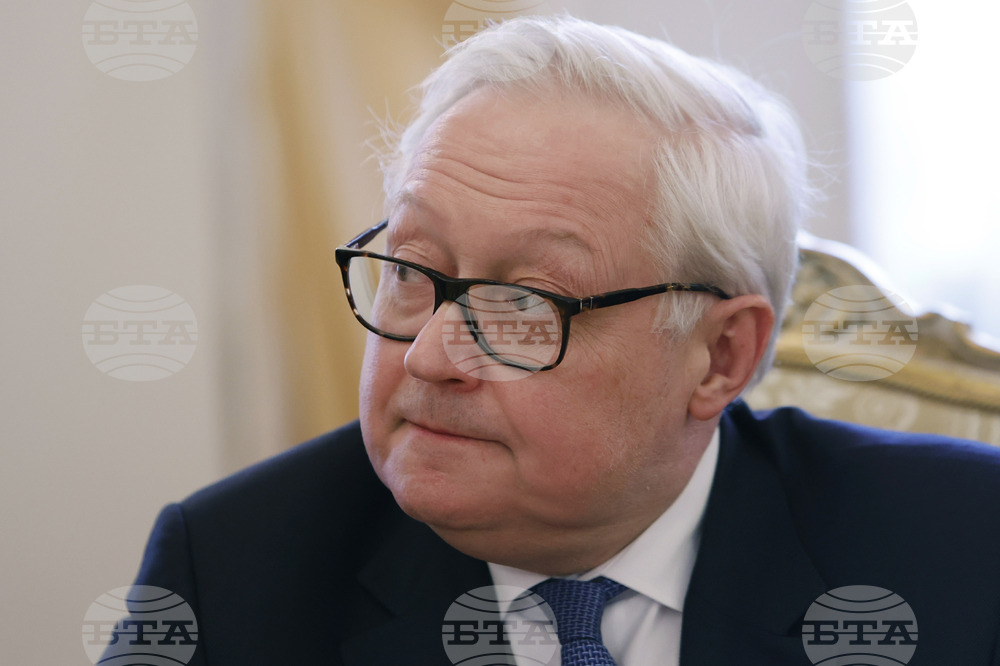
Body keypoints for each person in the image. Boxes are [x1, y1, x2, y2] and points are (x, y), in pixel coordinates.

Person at [114, 15, 1000, 666]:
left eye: (522, 305)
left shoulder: (965, 551)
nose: (427, 357)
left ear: (720, 357)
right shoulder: (230, 573)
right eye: (413, 271)